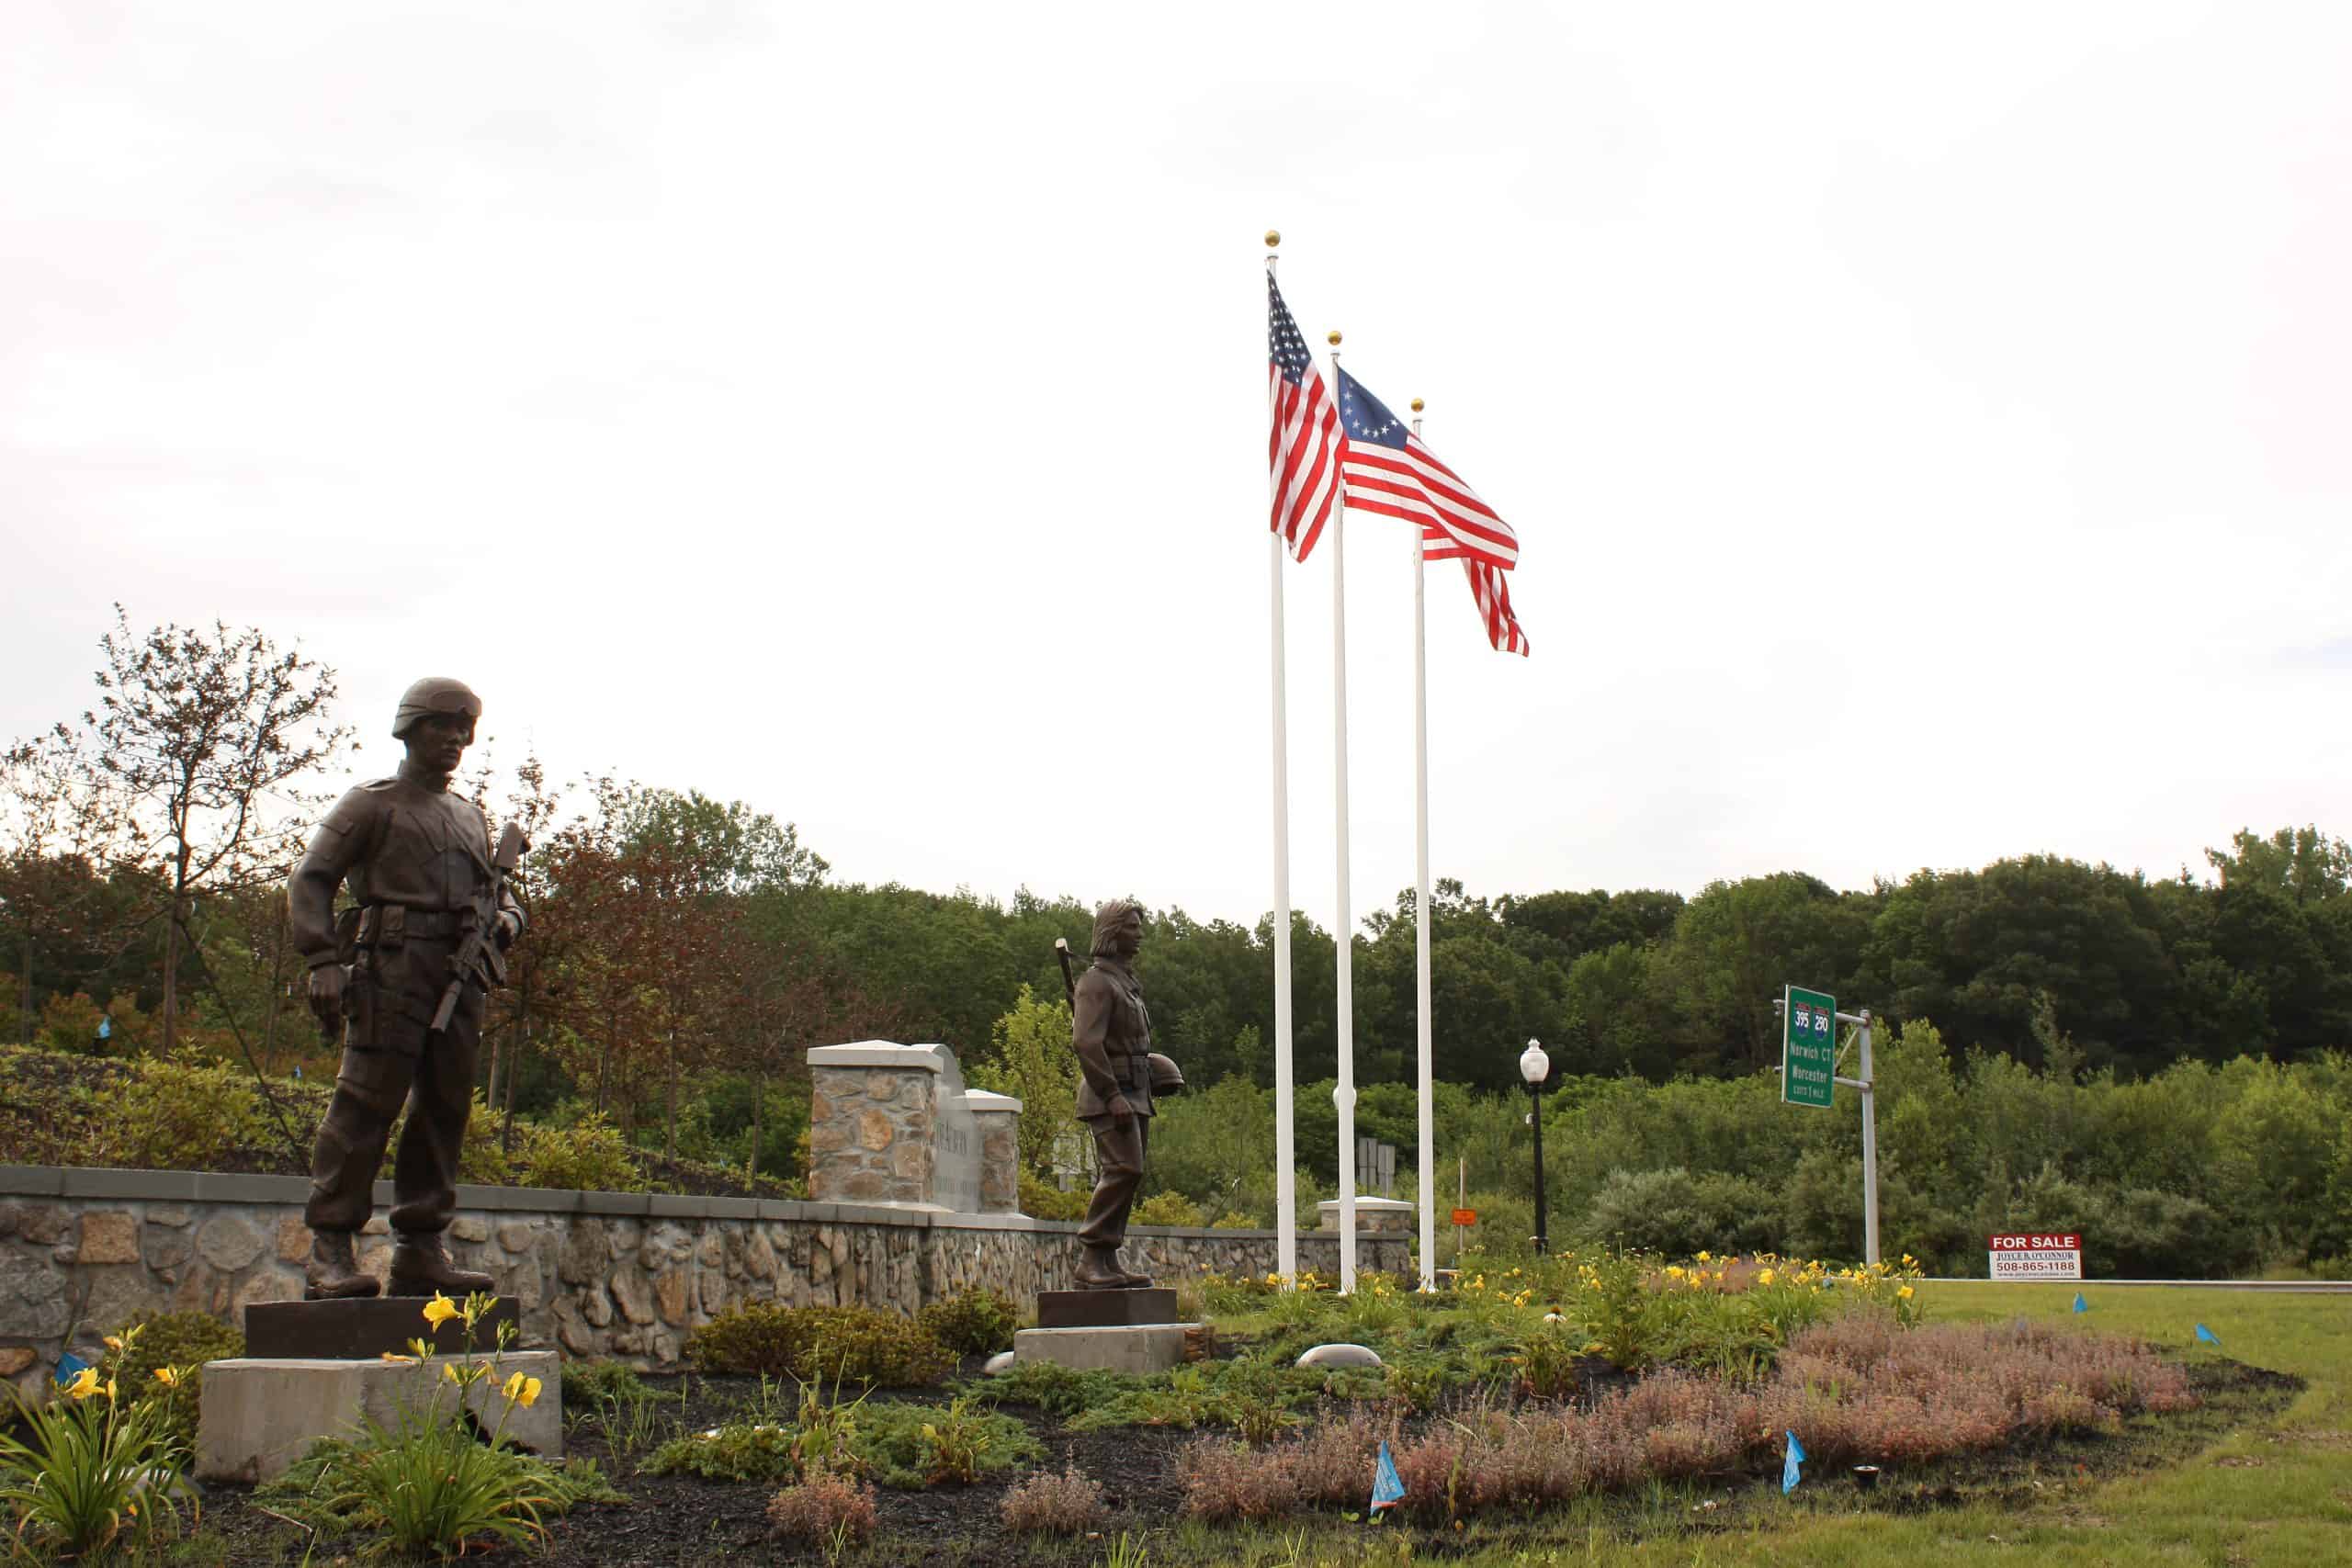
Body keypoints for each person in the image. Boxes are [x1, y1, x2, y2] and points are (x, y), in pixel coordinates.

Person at [290, 677, 524, 1300]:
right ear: (409, 729)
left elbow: (502, 896)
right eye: (438, 726)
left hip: (459, 974)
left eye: (462, 730)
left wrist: (507, 920)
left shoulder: (471, 816)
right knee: (365, 1104)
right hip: (389, 968)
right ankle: (330, 1247)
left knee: (444, 1110)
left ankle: (422, 1248)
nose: (452, 739)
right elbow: (311, 879)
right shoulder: (371, 804)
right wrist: (321, 959)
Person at [1069, 897, 1160, 1289]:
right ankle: (1091, 1256)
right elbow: (1086, 1044)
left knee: (1131, 1174)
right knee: (1124, 1169)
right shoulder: (1095, 982)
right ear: (1111, 932)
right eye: (1132, 926)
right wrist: (1111, 1095)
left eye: (1139, 926)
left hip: (1136, 1091)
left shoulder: (1125, 983)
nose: (1139, 933)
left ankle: (1107, 1260)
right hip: (1110, 1095)